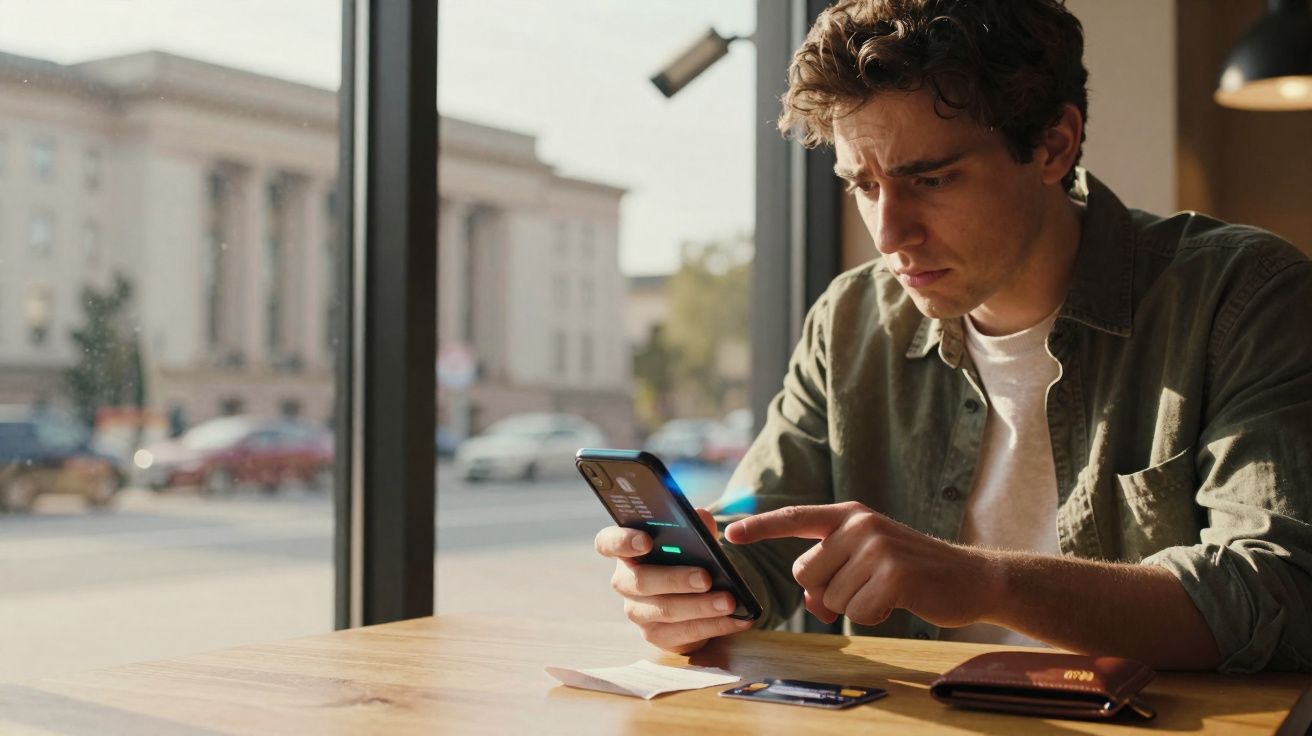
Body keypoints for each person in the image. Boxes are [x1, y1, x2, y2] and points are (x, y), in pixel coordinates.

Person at [594, 0, 1312, 673]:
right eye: (863, 186)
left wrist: (985, 581)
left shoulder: (1240, 295)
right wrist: (696, 587)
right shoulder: (849, 321)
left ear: (1054, 146)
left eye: (931, 179)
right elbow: (766, 539)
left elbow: (1279, 591)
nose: (889, 235)